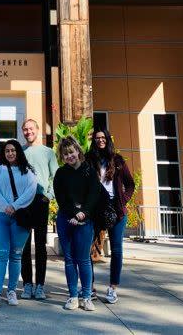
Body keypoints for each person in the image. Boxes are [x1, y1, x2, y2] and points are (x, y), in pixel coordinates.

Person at [0, 139, 38, 310]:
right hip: (0, 216)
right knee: (1, 256)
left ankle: (12, 291)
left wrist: (14, 206)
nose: (10, 153)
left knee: (16, 256)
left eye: (13, 150)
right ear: (3, 152)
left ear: (18, 152)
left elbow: (31, 190)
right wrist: (6, 206)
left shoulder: (28, 171)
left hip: (20, 218)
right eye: (7, 150)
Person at [86, 127, 135, 305]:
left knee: (116, 250)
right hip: (95, 209)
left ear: (107, 140)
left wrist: (123, 200)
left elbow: (130, 184)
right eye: (97, 138)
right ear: (94, 141)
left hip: (116, 210)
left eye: (103, 138)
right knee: (86, 249)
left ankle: (113, 288)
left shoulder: (118, 160)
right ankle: (89, 287)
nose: (100, 141)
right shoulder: (89, 160)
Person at [53, 136, 101, 312]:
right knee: (69, 260)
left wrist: (83, 214)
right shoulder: (61, 173)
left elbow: (94, 194)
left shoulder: (89, 171)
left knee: (83, 260)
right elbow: (61, 198)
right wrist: (74, 213)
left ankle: (87, 296)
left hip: (85, 220)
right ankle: (73, 296)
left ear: (78, 151)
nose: (69, 156)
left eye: (71, 152)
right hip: (66, 219)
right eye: (65, 154)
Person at [19, 119, 58, 300]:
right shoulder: (20, 152)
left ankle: (40, 286)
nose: (28, 132)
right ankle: (27, 284)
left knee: (40, 246)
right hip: (23, 204)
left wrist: (48, 196)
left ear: (37, 130)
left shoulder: (48, 152)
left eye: (31, 129)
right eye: (25, 130)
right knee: (24, 247)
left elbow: (55, 177)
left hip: (41, 203)